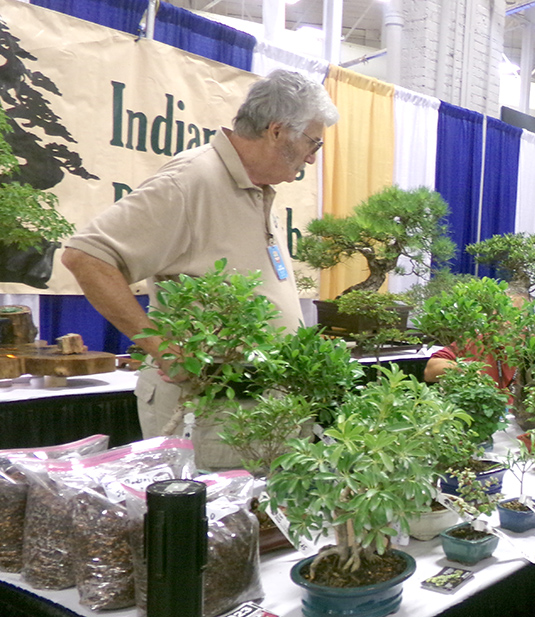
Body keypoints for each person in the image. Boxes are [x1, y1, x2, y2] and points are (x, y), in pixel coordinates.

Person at [62, 69, 338, 469]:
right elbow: (86, 256)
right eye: (313, 142)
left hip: (259, 406)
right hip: (209, 411)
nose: (313, 156)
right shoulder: (191, 180)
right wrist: (160, 348)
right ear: (277, 131)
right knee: (205, 527)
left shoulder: (258, 188)